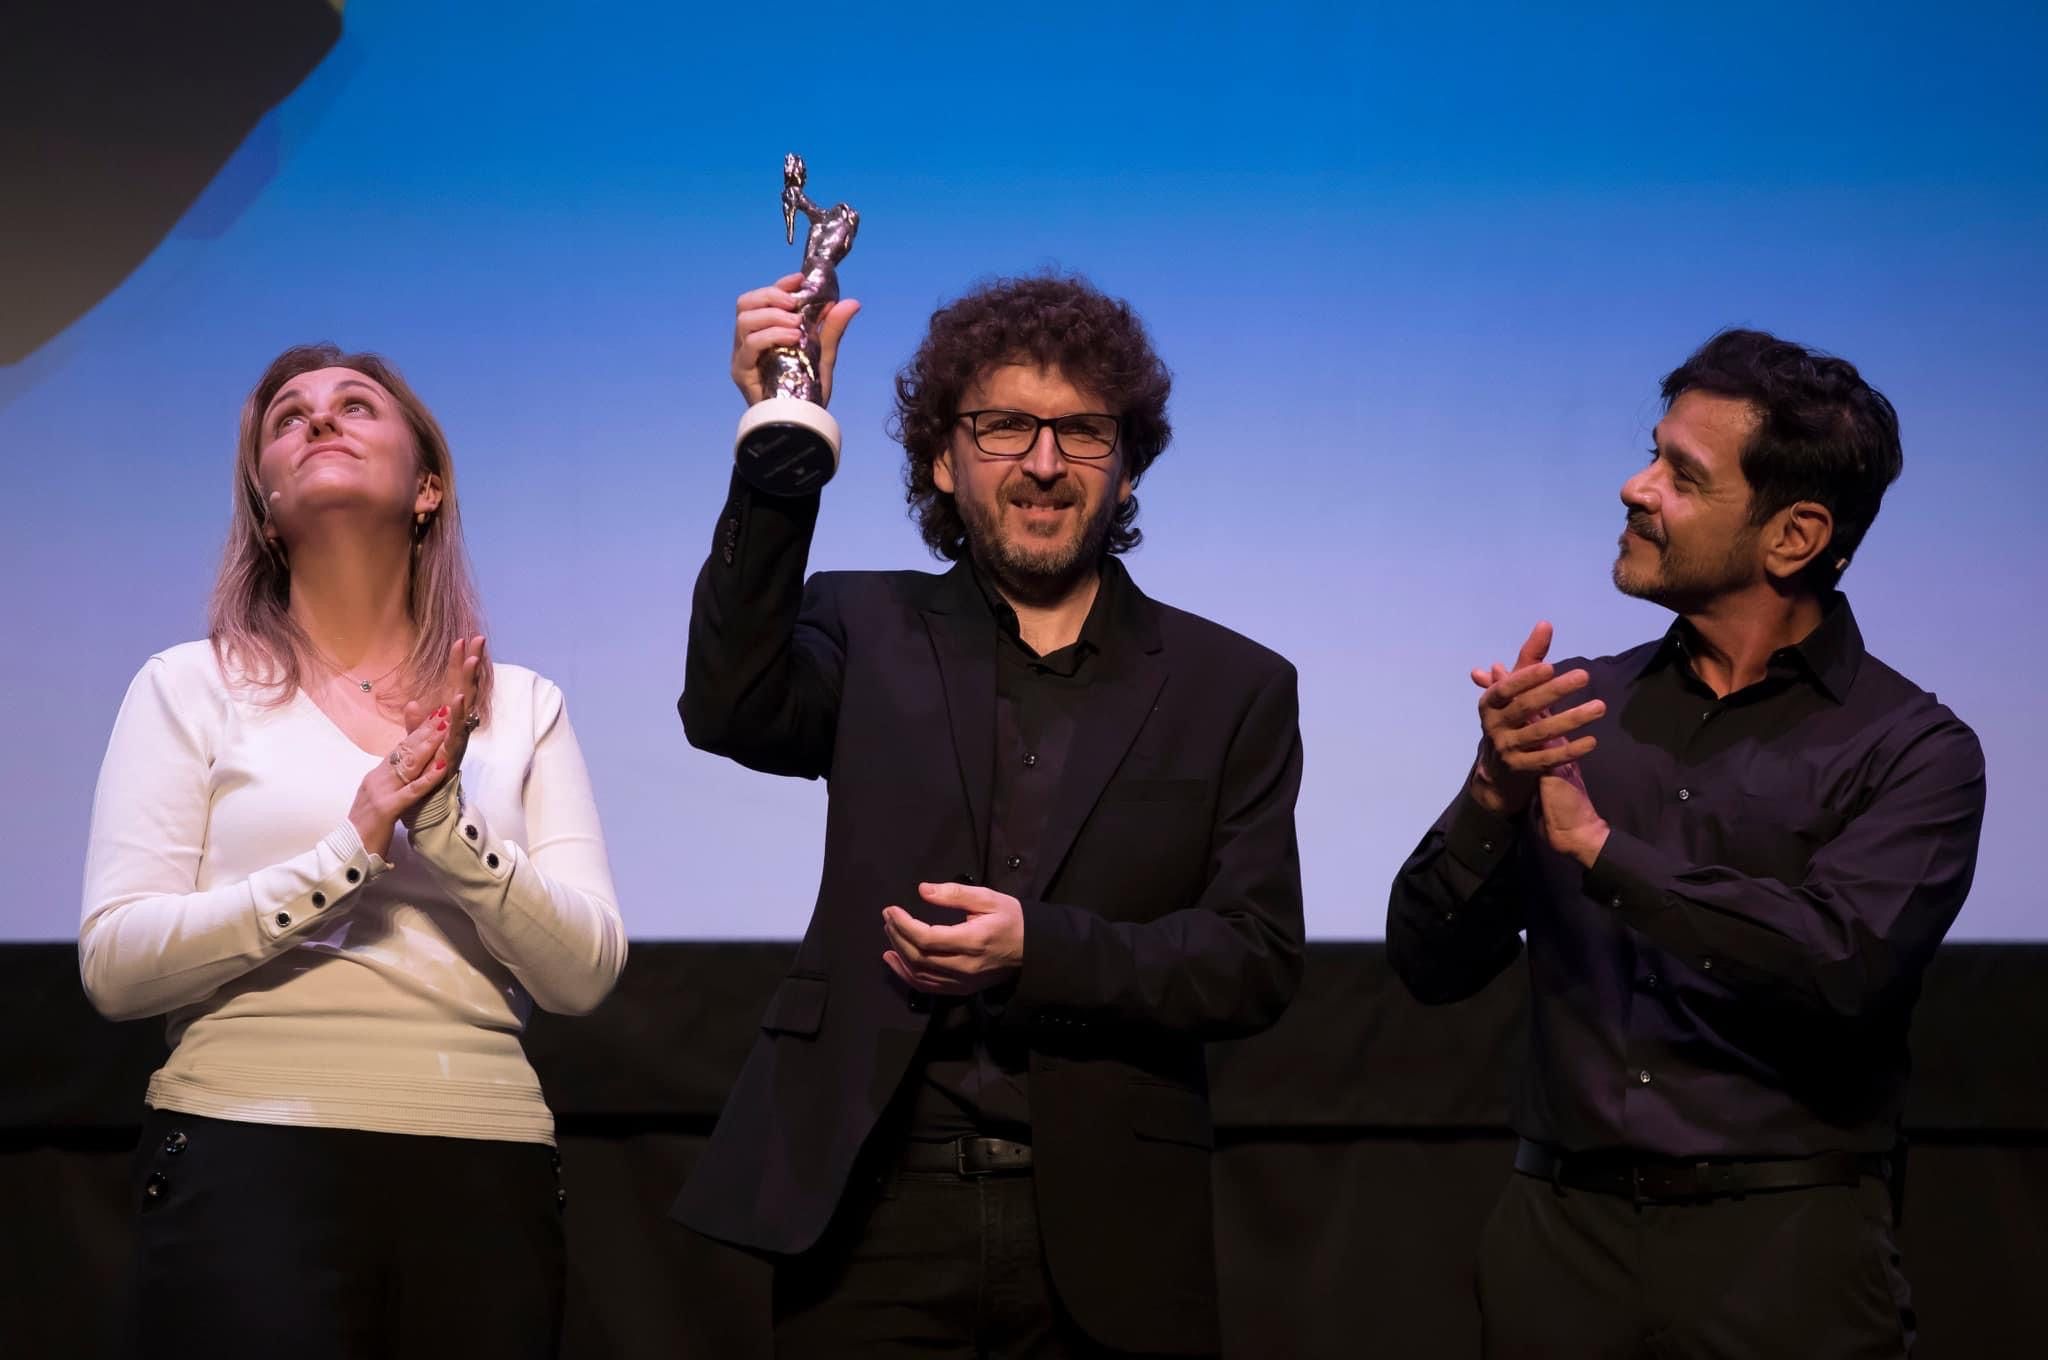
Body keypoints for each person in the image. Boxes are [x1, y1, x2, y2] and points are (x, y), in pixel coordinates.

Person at [674, 273, 1305, 1358]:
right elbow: (728, 706)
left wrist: (1038, 950)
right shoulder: (858, 625)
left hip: (1112, 1224)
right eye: (1005, 427)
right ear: (940, 457)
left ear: (1128, 459)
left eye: (1083, 431)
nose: (1045, 462)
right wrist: (778, 441)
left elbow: (1251, 959)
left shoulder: (1231, 684)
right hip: (869, 1206)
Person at [1388, 329, 1986, 1358]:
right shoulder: (1576, 711)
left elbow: (1838, 960)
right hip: (1556, 1246)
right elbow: (1429, 962)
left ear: (1791, 536)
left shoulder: (1911, 750)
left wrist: (1602, 853)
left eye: (1679, 473)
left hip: (1781, 1256)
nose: (1633, 485)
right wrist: (1489, 790)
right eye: (1648, 453)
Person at [80, 344, 627, 1360]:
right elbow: (116, 966)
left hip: (483, 1158)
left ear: (427, 488)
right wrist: (350, 847)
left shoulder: (522, 705)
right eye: (288, 417)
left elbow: (584, 972)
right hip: (243, 1155)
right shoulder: (187, 685)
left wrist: (445, 832)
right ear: (267, 502)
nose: (318, 421)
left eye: (354, 405)